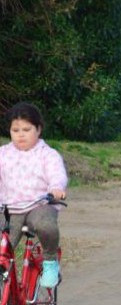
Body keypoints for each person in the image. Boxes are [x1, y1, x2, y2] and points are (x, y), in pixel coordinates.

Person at [0, 102, 67, 288]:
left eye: (27, 129)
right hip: (8, 209)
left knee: (46, 225)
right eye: (15, 130)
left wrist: (56, 188)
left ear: (38, 130)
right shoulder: (3, 154)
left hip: (39, 206)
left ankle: (50, 262)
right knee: (3, 245)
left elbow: (57, 174)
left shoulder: (47, 155)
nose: (21, 134)